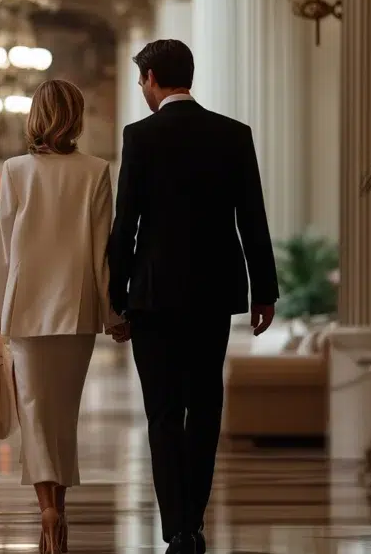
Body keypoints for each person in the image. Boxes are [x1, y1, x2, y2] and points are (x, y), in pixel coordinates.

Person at [108, 39, 279, 554]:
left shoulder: (140, 137)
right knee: (204, 409)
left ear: (154, 77)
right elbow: (252, 217)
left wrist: (116, 298)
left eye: (142, 80)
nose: (142, 90)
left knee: (162, 413)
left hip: (153, 298)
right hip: (212, 295)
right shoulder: (232, 134)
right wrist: (263, 290)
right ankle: (195, 523)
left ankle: (175, 526)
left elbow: (126, 226)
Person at [0, 79, 125, 554]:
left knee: (35, 415)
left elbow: (3, 249)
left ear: (36, 117)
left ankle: (47, 508)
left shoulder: (15, 170)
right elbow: (105, 250)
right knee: (63, 416)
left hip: (24, 311)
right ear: (77, 117)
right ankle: (57, 505)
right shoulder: (96, 170)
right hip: (77, 311)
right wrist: (113, 312)